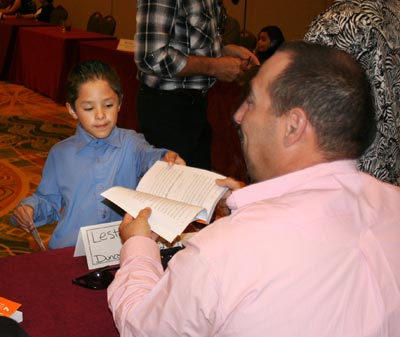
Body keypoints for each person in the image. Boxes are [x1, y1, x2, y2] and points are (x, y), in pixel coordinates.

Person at [107, 41, 400, 336]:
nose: (238, 115)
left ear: (293, 126)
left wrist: (138, 247)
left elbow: (142, 328)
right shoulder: (393, 202)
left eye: (252, 101)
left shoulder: (221, 254)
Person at [11, 60, 184, 249]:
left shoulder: (131, 143)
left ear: (119, 103)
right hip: (71, 247)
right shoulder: (59, 154)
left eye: (108, 105)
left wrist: (165, 158)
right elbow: (48, 200)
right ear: (72, 110)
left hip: (121, 249)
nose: (100, 115)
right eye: (89, 108)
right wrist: (30, 209)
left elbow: (149, 156)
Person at [134, 0, 259, 170]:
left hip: (197, 106)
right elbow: (151, 57)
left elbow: (189, 41)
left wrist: (222, 51)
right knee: (171, 191)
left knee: (196, 188)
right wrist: (214, 66)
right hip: (167, 110)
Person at [304, 0, 400, 186]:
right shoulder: (394, 13)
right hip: (389, 186)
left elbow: (309, 113)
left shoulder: (337, 23)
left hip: (347, 184)